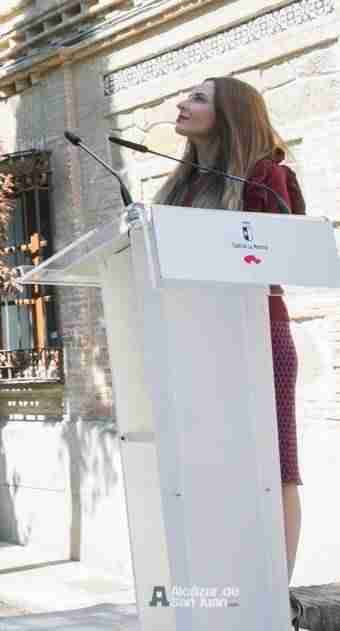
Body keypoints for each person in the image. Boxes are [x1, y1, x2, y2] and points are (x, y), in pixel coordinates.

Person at [156, 76, 305, 588]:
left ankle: (274, 595)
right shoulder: (184, 185)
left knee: (276, 462)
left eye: (197, 96)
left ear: (232, 114)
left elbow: (281, 249)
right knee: (215, 461)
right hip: (198, 339)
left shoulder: (265, 174)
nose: (181, 100)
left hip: (258, 334)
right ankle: (228, 582)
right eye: (187, 92)